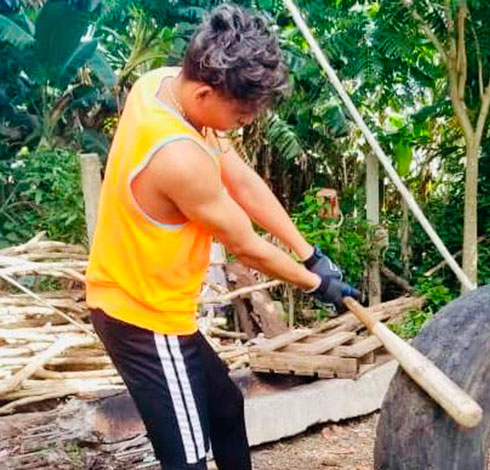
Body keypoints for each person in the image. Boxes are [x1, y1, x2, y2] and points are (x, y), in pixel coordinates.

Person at [84, 4, 359, 469]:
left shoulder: (164, 85)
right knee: (187, 461)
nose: (247, 121)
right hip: (143, 319)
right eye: (241, 112)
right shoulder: (178, 157)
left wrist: (310, 254)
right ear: (208, 92)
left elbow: (243, 180)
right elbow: (247, 246)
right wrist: (318, 287)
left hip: (154, 303)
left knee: (227, 406)